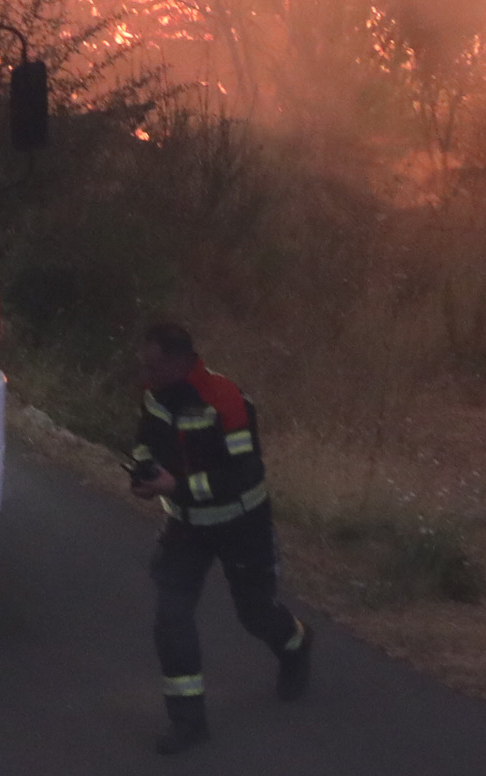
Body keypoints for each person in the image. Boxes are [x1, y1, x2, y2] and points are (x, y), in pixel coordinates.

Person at [127, 320, 310, 752]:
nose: (146, 374)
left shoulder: (225, 400)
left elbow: (245, 474)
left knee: (254, 613)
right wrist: (143, 469)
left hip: (240, 524)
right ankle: (188, 723)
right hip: (186, 527)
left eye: (154, 365)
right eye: (144, 365)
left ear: (180, 361)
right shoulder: (155, 395)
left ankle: (297, 645)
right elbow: (143, 443)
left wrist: (179, 487)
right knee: (171, 618)